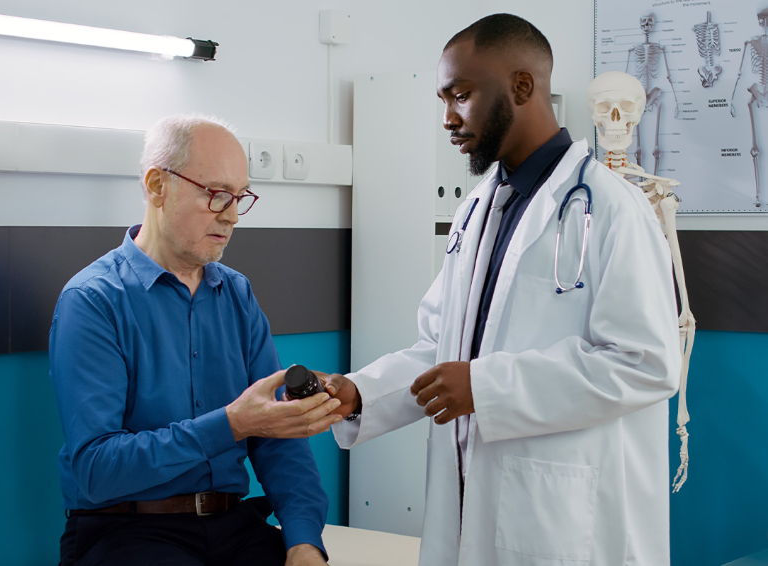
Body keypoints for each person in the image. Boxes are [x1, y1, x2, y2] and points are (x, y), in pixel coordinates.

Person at [322, 14, 682, 566]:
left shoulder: (612, 207)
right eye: (443, 99)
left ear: (521, 86)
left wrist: (489, 388)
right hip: (475, 499)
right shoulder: (480, 206)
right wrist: (360, 393)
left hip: (565, 516)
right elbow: (441, 350)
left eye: (461, 95)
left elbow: (645, 362)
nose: (447, 118)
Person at [50, 115, 340, 566]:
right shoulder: (93, 301)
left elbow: (279, 436)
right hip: (127, 531)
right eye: (216, 194)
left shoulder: (237, 294)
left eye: (240, 198)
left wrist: (304, 540)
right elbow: (97, 471)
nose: (230, 214)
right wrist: (231, 424)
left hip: (232, 528)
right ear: (157, 186)